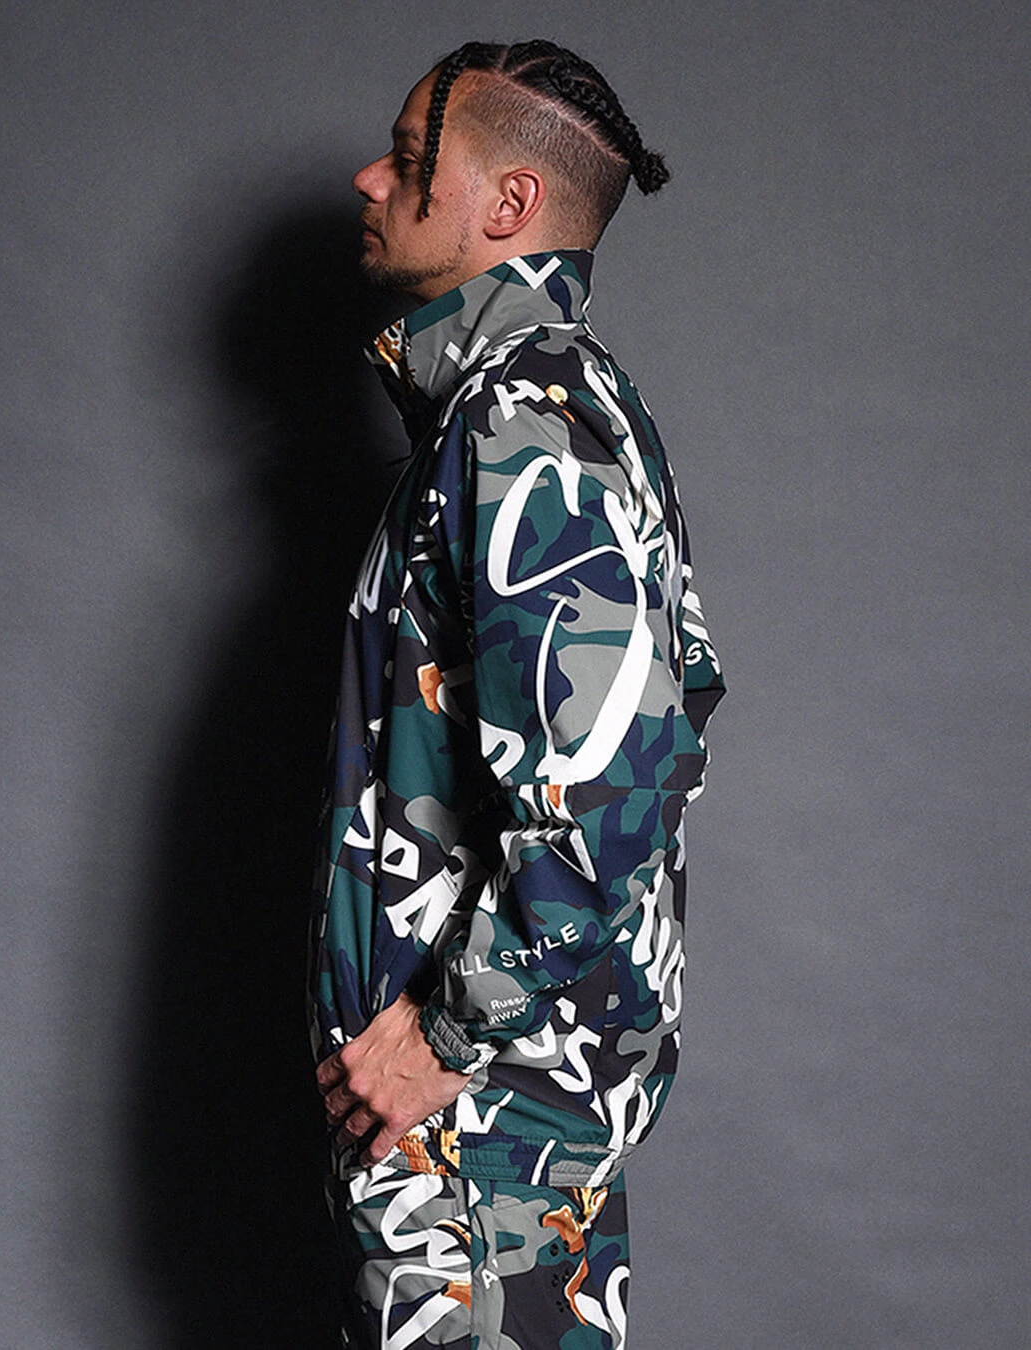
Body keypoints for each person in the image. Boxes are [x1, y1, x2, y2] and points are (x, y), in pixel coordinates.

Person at [308, 39, 724, 1349]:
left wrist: (444, 1033)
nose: (370, 179)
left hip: (484, 1137)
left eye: (408, 158)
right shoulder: (517, 413)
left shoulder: (527, 416)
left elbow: (612, 783)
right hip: (482, 1138)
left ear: (509, 204)